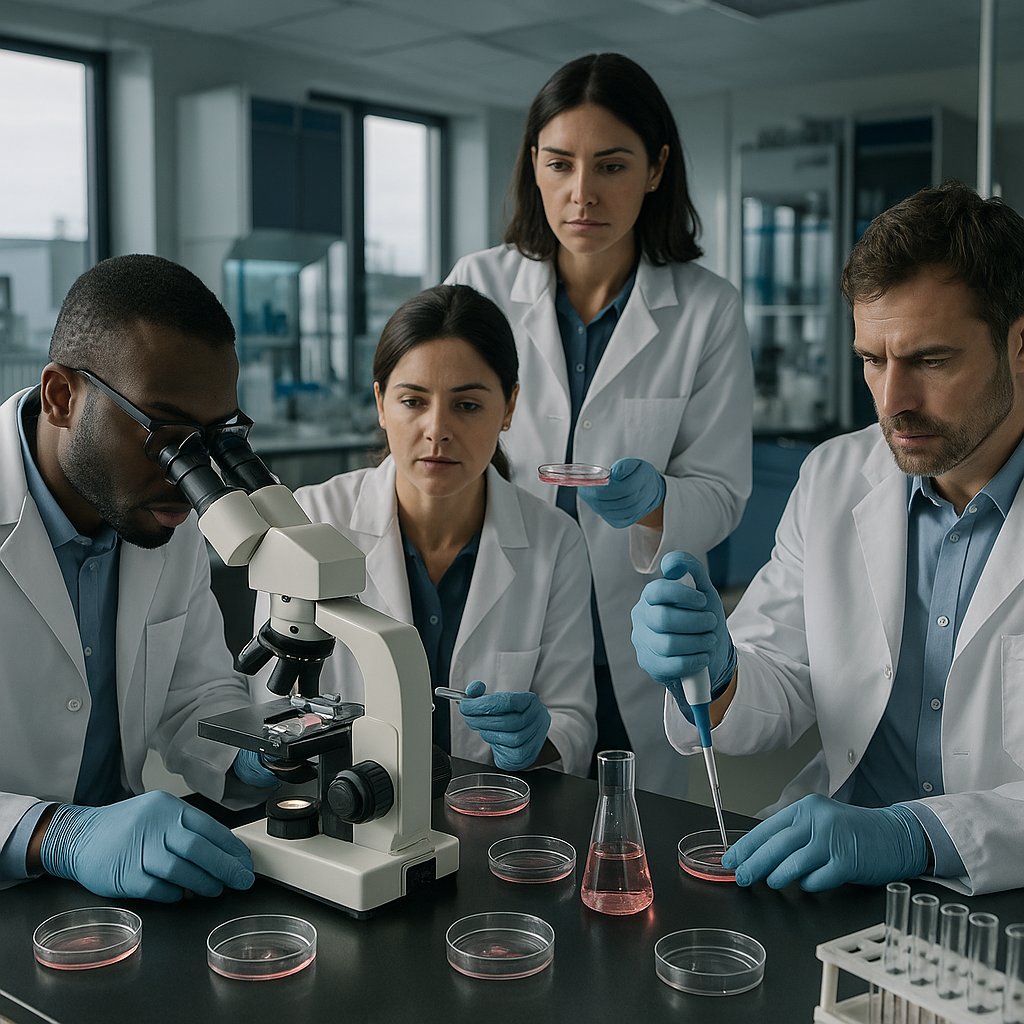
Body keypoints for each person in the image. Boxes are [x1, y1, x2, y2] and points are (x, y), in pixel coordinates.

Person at [631, 181, 1024, 895]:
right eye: (872, 359)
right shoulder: (834, 477)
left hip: (996, 895)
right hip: (832, 880)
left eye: (930, 361)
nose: (891, 401)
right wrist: (718, 674)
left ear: (1020, 344)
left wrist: (919, 835)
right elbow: (781, 682)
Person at [446, 53, 753, 798]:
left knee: (631, 840)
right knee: (499, 829)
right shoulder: (478, 286)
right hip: (504, 606)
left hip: (631, 638)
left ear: (656, 169)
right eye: (560, 164)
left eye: (612, 166)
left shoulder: (707, 309)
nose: (582, 194)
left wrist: (655, 503)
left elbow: (721, 491)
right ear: (534, 168)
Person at [0, 254, 281, 903]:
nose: (192, 469)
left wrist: (251, 750)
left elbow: (196, 692)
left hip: (122, 900)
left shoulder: (157, 513)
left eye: (217, 437)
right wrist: (57, 834)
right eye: (168, 434)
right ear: (61, 396)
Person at [252, 284, 597, 775]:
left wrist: (536, 740)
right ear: (380, 403)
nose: (437, 429)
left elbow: (574, 720)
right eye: (413, 401)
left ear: (510, 407)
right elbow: (267, 707)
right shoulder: (307, 522)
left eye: (468, 406)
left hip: (488, 813)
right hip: (343, 810)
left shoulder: (555, 540)